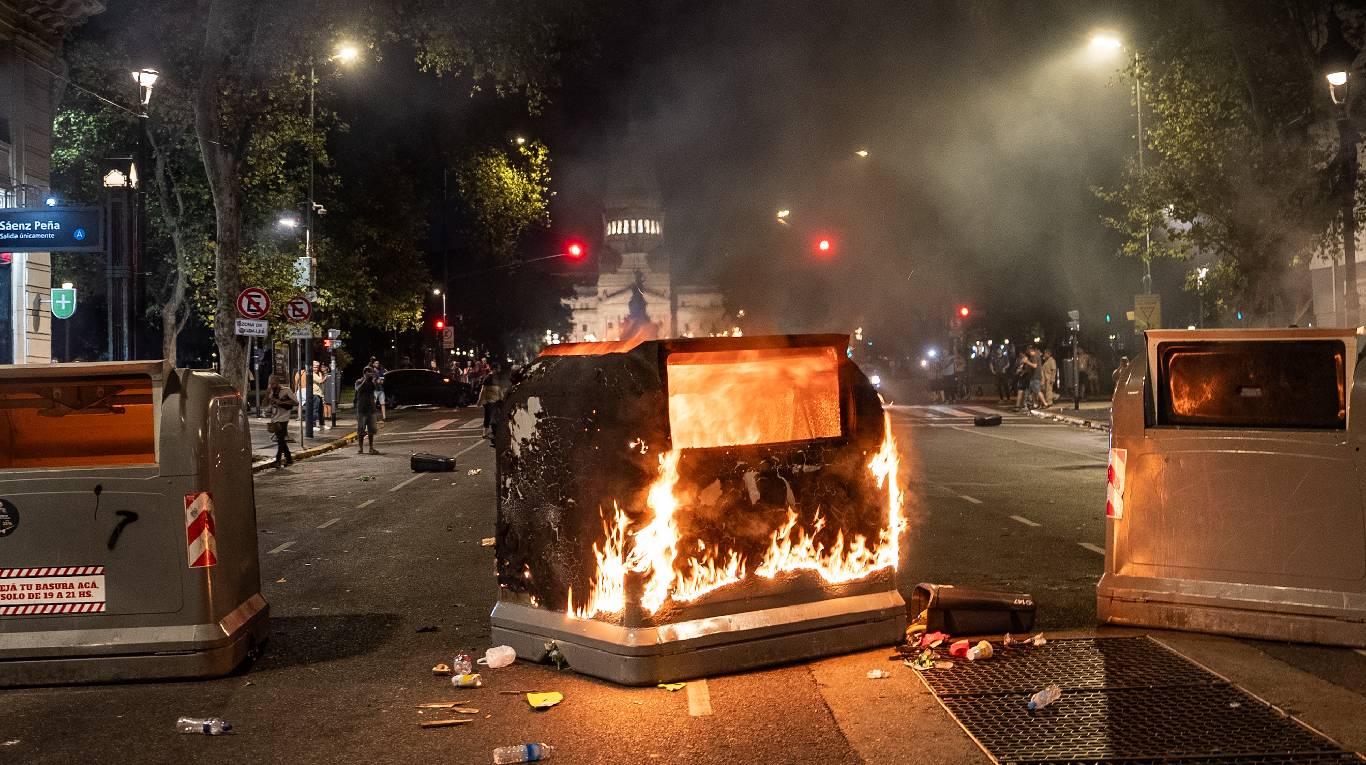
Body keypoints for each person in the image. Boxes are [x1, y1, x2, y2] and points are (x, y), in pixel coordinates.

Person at [266, 374, 297, 468]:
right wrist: (269, 407)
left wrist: (282, 402)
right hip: (275, 418)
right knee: (281, 440)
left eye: (273, 384)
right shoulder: (270, 391)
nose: (272, 386)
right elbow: (267, 404)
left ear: (278, 383)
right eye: (270, 384)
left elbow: (296, 402)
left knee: (280, 440)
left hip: (283, 418)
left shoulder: (286, 390)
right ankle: (289, 459)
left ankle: (278, 460)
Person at [355, 366, 380, 454]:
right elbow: (358, 389)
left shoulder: (372, 382)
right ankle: (360, 448)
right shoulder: (359, 381)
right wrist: (365, 380)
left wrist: (373, 379)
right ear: (364, 373)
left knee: (371, 430)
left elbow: (376, 387)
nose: (368, 373)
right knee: (361, 429)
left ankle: (371, 448)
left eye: (370, 372)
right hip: (361, 409)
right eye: (366, 372)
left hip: (371, 409)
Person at [477, 363, 504, 439]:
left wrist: (502, 398)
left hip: (496, 400)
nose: (499, 370)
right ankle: (486, 433)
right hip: (489, 401)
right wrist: (480, 400)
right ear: (494, 369)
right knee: (488, 416)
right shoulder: (488, 378)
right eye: (498, 368)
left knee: (494, 416)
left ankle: (493, 432)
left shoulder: (496, 377)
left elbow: (499, 389)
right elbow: (483, 390)